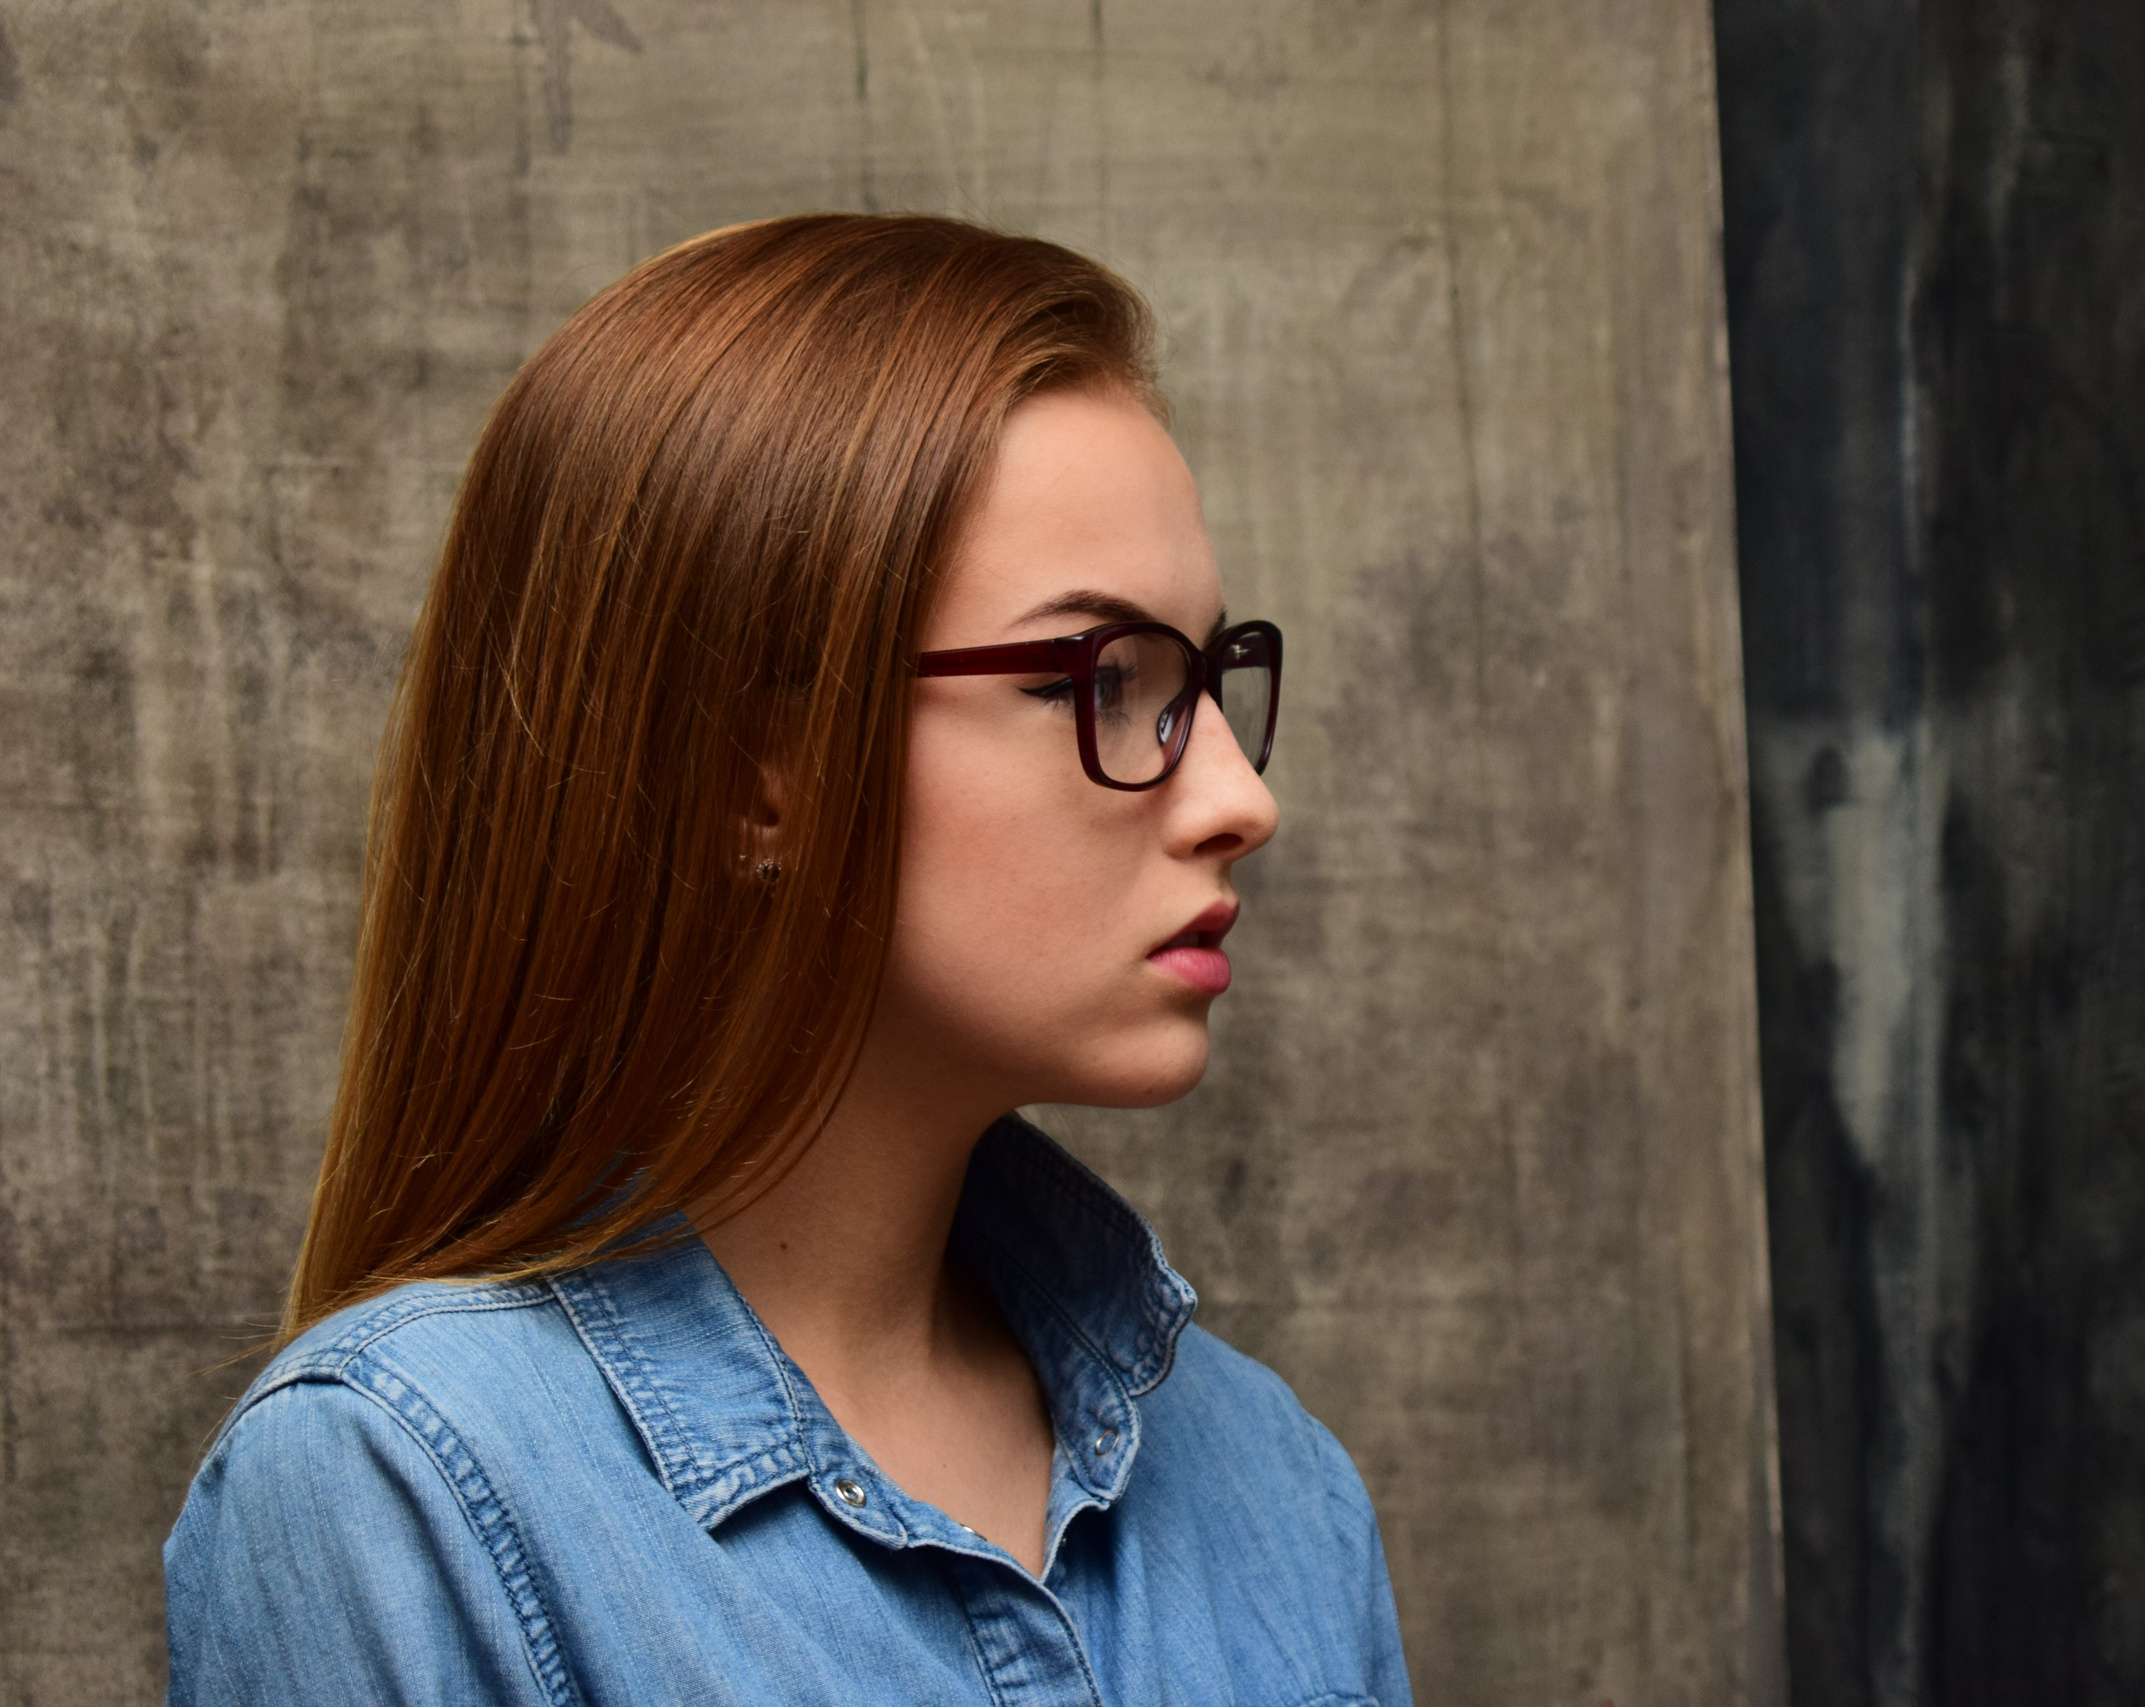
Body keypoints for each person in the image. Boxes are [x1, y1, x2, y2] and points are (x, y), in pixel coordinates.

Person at [163, 213, 1411, 1707]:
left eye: (1207, 680)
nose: (1239, 800)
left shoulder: (1275, 1481)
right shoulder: (406, 1489)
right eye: (1106, 679)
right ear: (768, 773)